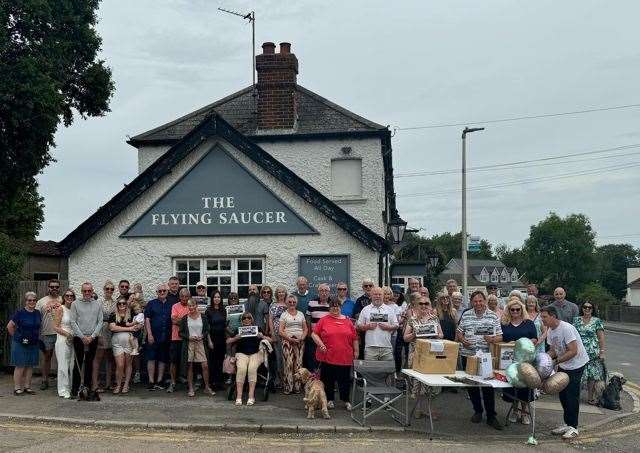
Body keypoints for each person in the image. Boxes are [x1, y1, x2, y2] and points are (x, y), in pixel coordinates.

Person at [456, 290, 503, 430]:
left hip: (486, 356)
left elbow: (500, 336)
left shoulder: (493, 316)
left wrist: (492, 339)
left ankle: (491, 416)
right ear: (472, 302)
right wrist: (463, 340)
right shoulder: (466, 314)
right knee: (471, 385)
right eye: (475, 301)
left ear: (485, 301)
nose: (478, 304)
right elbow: (459, 332)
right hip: (468, 354)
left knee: (487, 386)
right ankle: (477, 411)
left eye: (480, 301)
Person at [541, 305, 589, 440]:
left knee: (571, 395)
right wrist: (544, 359)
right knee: (562, 395)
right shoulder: (550, 330)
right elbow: (553, 350)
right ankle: (567, 424)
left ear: (553, 316)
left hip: (576, 364)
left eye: (544, 317)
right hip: (564, 364)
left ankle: (574, 427)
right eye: (541, 317)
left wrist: (556, 362)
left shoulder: (566, 328)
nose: (542, 319)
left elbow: (573, 351)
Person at [312, 296, 358, 410]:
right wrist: (321, 344)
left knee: (345, 380)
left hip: (344, 356)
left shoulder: (348, 321)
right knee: (328, 380)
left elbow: (355, 338)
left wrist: (356, 351)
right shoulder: (324, 320)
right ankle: (329, 400)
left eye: (337, 306)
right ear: (329, 308)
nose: (335, 308)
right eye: (332, 307)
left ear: (340, 307)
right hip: (327, 356)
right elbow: (314, 334)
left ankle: (346, 400)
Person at [500, 297, 538, 425]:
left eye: (518, 309)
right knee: (514, 384)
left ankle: (525, 412)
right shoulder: (504, 323)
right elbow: (500, 339)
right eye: (512, 310)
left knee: (525, 386)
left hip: (526, 359)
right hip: (509, 360)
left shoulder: (529, 323)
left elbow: (535, 339)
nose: (515, 312)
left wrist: (521, 343)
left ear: (522, 310)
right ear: (508, 310)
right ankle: (515, 411)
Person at [403, 297, 443, 417]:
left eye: (426, 303)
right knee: (418, 383)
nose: (424, 305)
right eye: (421, 303)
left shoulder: (434, 319)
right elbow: (405, 338)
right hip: (416, 355)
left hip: (432, 355)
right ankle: (418, 409)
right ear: (416, 305)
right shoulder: (412, 320)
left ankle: (429, 409)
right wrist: (416, 333)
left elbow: (441, 335)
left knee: (431, 383)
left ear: (430, 305)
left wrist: (434, 333)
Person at [227, 312, 271, 406]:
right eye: (244, 318)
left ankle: (251, 396)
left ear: (252, 320)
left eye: (249, 318)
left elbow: (271, 340)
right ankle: (239, 396)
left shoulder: (257, 329)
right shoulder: (238, 330)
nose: (246, 320)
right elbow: (228, 341)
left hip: (255, 353)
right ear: (241, 320)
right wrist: (235, 338)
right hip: (241, 353)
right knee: (242, 369)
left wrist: (262, 336)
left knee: (252, 369)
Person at [70, 282, 104, 396]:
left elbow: (100, 322)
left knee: (90, 363)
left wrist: (92, 336)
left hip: (92, 338)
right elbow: (73, 321)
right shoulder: (75, 304)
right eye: (85, 291)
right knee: (78, 363)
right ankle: (75, 390)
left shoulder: (98, 304)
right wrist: (82, 337)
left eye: (89, 291)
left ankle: (88, 388)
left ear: (92, 291)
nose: (87, 293)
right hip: (79, 337)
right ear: (81, 291)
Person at [7, 292, 42, 395]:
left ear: (36, 301)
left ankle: (27, 387)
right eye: (29, 300)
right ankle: (17, 388)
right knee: (20, 365)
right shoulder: (20, 313)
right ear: (26, 301)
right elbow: (9, 326)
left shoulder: (37, 313)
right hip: (20, 343)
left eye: (34, 300)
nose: (32, 302)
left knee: (30, 365)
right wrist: (16, 337)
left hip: (33, 343)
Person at [180, 298, 215, 397]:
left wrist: (203, 336)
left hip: (200, 343)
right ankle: (191, 388)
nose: (191, 307)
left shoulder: (203, 317)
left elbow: (207, 329)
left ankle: (207, 387)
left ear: (196, 306)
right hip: (189, 344)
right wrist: (189, 337)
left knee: (205, 365)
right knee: (189, 366)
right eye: (189, 306)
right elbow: (181, 332)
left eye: (193, 305)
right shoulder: (184, 318)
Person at [573, 302, 606, 405]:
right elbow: (573, 335)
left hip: (592, 352)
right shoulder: (576, 320)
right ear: (582, 308)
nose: (587, 309)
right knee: (578, 374)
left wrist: (602, 352)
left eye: (589, 307)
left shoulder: (597, 321)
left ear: (592, 309)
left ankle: (590, 397)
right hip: (579, 351)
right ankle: (575, 396)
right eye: (585, 307)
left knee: (591, 376)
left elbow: (601, 338)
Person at [108, 296, 141, 394]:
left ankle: (126, 385)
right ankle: (118, 385)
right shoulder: (113, 315)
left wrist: (137, 326)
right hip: (117, 342)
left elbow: (139, 324)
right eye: (120, 303)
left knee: (128, 364)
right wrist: (129, 329)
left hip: (129, 342)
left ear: (127, 305)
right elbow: (112, 328)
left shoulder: (132, 314)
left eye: (124, 303)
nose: (122, 305)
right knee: (120, 365)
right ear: (117, 305)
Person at [357, 286, 398, 361]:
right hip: (370, 347)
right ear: (371, 296)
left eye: (380, 294)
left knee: (387, 371)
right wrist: (367, 327)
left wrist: (388, 327)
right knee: (370, 372)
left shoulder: (390, 310)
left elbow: (396, 325)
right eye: (375, 294)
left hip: (386, 347)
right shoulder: (365, 310)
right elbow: (358, 326)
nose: (377, 296)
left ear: (383, 296)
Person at [144, 284, 172, 390]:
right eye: (159, 291)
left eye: (164, 290)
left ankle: (160, 381)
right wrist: (149, 334)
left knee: (162, 359)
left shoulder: (171, 304)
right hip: (153, 336)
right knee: (151, 358)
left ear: (167, 291)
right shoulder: (151, 304)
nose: (162, 292)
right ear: (157, 292)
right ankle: (151, 381)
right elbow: (147, 319)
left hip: (166, 336)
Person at [35, 279, 61, 390]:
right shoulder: (41, 301)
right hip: (47, 333)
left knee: (62, 357)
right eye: (52, 286)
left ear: (59, 288)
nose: (54, 288)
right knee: (47, 357)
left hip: (61, 333)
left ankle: (62, 381)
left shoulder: (62, 299)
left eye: (56, 287)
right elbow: (36, 318)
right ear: (48, 287)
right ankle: (44, 380)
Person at [279, 294, 307, 394]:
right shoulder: (284, 314)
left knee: (298, 364)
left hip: (300, 341)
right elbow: (281, 331)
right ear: (287, 303)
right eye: (290, 302)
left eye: (294, 302)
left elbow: (305, 329)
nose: (292, 304)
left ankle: (297, 387)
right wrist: (290, 339)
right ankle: (288, 387)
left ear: (296, 303)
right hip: (287, 341)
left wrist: (302, 338)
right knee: (288, 364)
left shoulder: (300, 314)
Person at [93, 280, 116, 393]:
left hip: (111, 330)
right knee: (98, 357)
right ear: (103, 289)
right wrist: (98, 334)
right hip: (101, 329)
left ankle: (108, 383)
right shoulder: (98, 302)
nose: (109, 291)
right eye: (107, 288)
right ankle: (95, 384)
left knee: (109, 358)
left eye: (111, 289)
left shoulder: (116, 302)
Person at [54, 288, 76, 398]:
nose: (69, 297)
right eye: (67, 296)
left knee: (72, 365)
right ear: (64, 297)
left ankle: (71, 387)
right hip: (63, 339)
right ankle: (63, 390)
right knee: (63, 365)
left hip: (73, 340)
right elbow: (55, 327)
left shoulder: (74, 310)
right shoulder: (60, 309)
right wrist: (67, 335)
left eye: (71, 296)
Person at [168, 288, 191, 392]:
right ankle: (173, 382)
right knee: (174, 361)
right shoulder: (175, 306)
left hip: (188, 338)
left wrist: (180, 320)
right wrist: (187, 321)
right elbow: (173, 320)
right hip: (176, 337)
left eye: (186, 296)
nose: (184, 298)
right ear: (179, 297)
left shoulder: (191, 306)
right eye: (182, 296)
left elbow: (195, 319)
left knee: (188, 361)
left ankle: (187, 381)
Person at [306, 283, 332, 370]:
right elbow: (308, 318)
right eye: (322, 290)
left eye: (326, 291)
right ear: (318, 292)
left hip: (327, 337)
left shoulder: (333, 304)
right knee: (313, 358)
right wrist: (309, 332)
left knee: (326, 358)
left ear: (329, 292)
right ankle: (314, 378)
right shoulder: (312, 303)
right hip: (314, 336)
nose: (324, 293)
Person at [205, 290, 226, 390]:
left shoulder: (224, 310)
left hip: (222, 338)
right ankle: (212, 382)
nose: (217, 299)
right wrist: (209, 341)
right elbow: (207, 327)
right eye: (215, 297)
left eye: (218, 297)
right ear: (212, 299)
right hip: (212, 338)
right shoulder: (208, 310)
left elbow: (226, 325)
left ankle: (219, 382)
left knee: (220, 361)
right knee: (212, 361)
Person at [268, 285, 288, 388]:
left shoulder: (289, 304)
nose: (281, 294)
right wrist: (272, 333)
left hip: (287, 334)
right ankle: (278, 379)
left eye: (283, 292)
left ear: (285, 294)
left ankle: (287, 379)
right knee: (278, 356)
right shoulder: (273, 305)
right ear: (276, 294)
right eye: (279, 292)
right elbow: (270, 320)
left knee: (286, 357)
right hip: (276, 333)